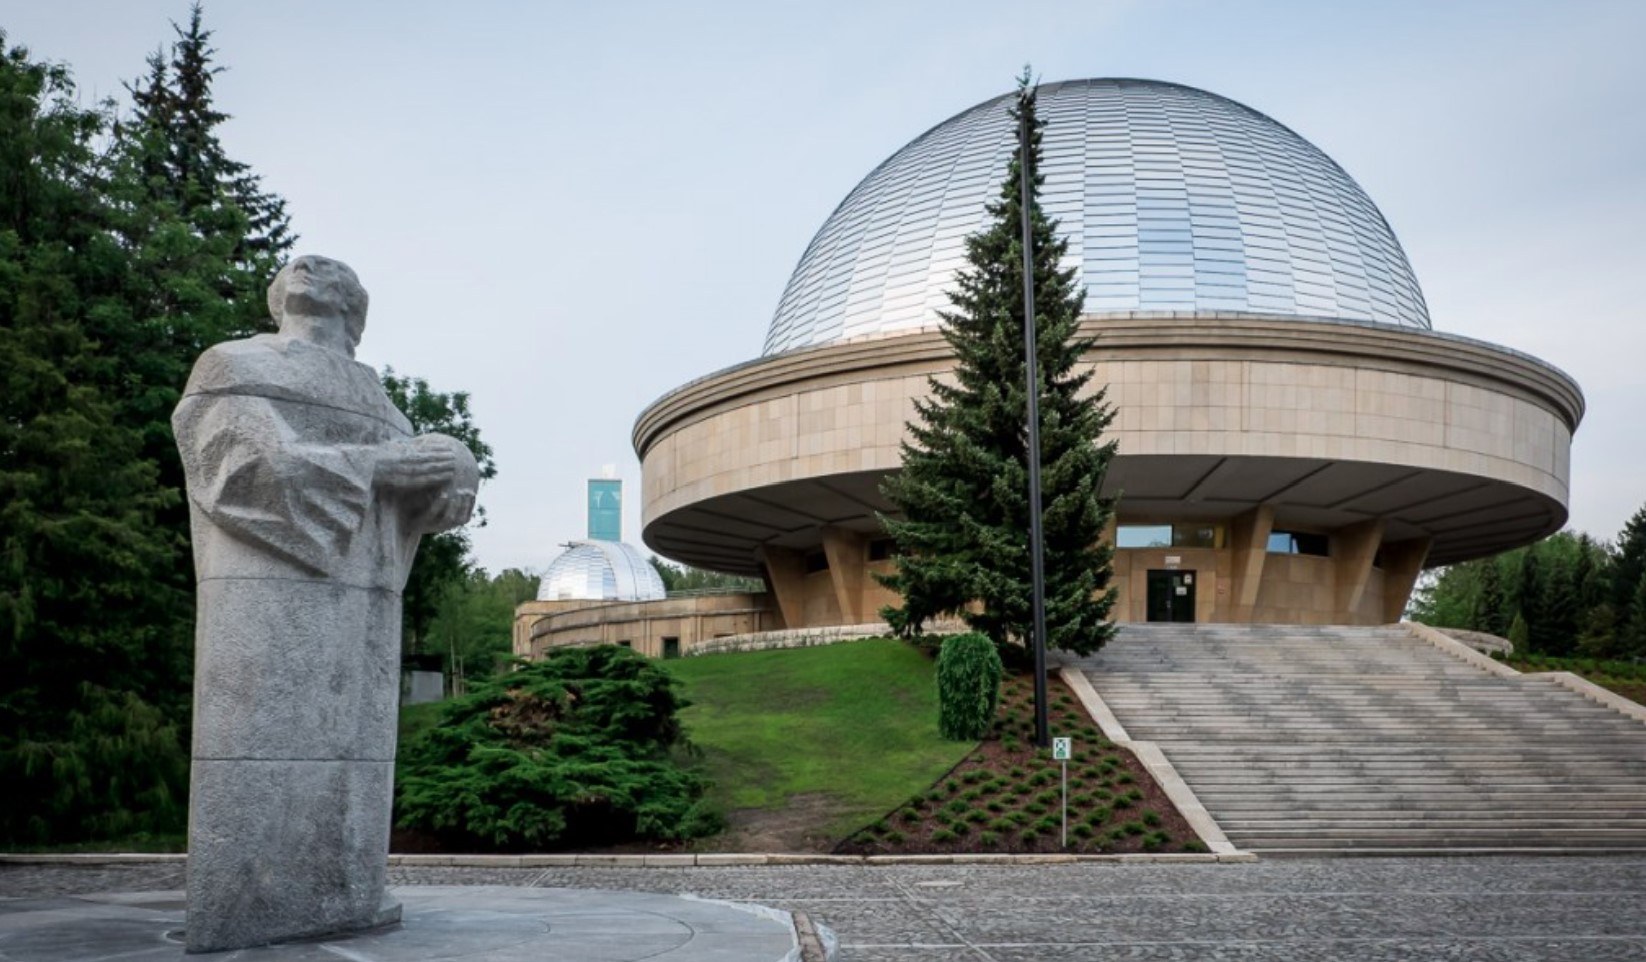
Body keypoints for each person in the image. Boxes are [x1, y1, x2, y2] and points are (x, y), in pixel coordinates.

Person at [172, 255, 477, 952]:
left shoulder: (379, 403)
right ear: (278, 298)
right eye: (295, 267)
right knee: (254, 732)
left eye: (330, 270)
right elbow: (241, 471)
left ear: (356, 312)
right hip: (260, 590)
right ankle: (244, 905)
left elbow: (422, 499)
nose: (307, 264)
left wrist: (455, 468)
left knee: (353, 753)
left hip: (364, 603)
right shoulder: (232, 364)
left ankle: (345, 891)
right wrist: (378, 467)